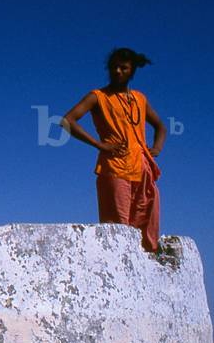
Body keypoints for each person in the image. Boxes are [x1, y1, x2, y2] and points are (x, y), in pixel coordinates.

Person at [60, 48, 167, 252]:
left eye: (123, 68)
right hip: (116, 168)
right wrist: (100, 145)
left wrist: (156, 148)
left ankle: (145, 267)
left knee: (145, 220)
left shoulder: (139, 98)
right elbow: (67, 121)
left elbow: (160, 126)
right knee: (119, 227)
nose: (118, 71)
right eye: (114, 67)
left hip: (142, 168)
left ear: (132, 71)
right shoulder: (98, 97)